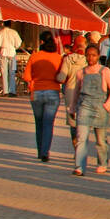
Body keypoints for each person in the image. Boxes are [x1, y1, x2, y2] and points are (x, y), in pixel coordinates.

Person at [71, 45, 110, 176]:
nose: (90, 58)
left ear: (98, 56)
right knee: (81, 138)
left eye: (93, 55)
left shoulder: (105, 71)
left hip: (100, 107)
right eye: (88, 55)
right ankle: (79, 166)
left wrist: (108, 105)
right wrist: (73, 107)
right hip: (84, 106)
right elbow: (76, 92)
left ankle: (102, 163)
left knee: (101, 140)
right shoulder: (81, 73)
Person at [25, 32, 63, 162]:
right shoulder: (58, 58)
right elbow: (62, 77)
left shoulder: (34, 56)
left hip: (37, 92)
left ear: (41, 42)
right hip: (53, 92)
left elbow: (27, 77)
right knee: (48, 123)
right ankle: (45, 151)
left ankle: (39, 151)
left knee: (39, 123)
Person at [56, 37, 88, 149]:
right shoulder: (89, 60)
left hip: (70, 92)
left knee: (72, 121)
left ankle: (75, 145)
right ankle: (82, 145)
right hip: (84, 92)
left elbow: (61, 77)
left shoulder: (68, 59)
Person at [0, 20, 22, 96]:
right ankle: (12, 91)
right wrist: (14, 47)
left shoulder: (0, 33)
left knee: (4, 72)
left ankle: (5, 91)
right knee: (12, 72)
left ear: (3, 24)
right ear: (10, 24)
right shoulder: (14, 32)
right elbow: (18, 43)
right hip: (12, 52)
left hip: (3, 52)